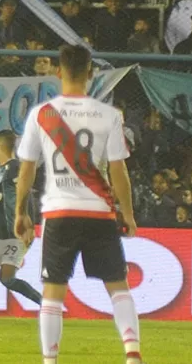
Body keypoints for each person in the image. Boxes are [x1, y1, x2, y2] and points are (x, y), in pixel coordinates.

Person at [16, 44, 140, 364]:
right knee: (118, 287)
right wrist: (126, 213)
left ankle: (50, 360)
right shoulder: (109, 115)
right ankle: (132, 354)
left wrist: (20, 212)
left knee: (53, 290)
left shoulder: (41, 115)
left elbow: (27, 169)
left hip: (59, 212)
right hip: (98, 211)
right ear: (91, 73)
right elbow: (118, 170)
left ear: (58, 72)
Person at [0, 130, 42, 305]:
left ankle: (45, 305)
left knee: (7, 280)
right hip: (1, 236)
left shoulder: (15, 168)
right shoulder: (2, 172)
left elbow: (26, 195)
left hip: (16, 235)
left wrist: (29, 226)